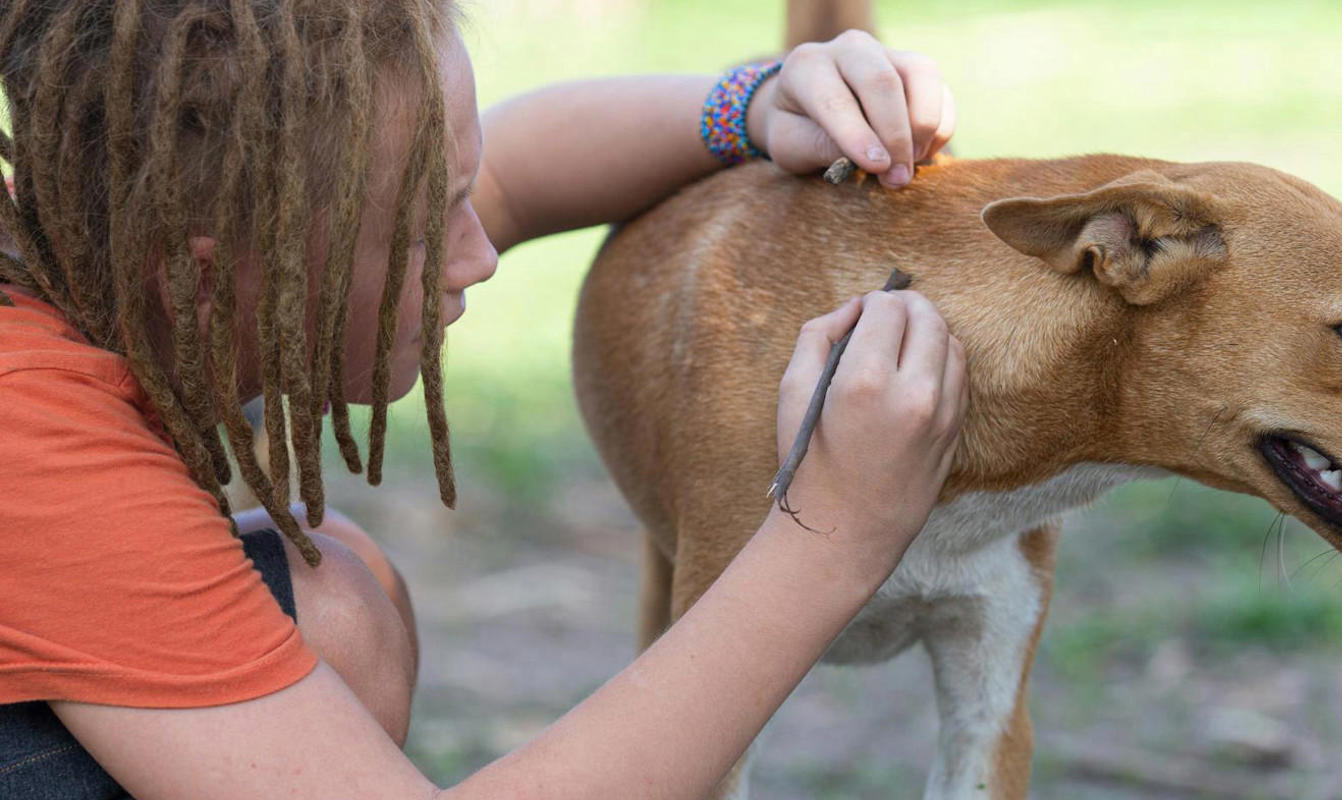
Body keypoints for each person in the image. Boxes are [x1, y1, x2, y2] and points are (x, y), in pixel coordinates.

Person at [0, 2, 965, 797]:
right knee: (332, 621)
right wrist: (833, 534)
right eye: (429, 224)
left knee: (339, 603)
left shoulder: (122, 251)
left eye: (460, 199)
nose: (482, 253)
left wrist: (753, 105)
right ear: (206, 286)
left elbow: (506, 168)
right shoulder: (32, 438)